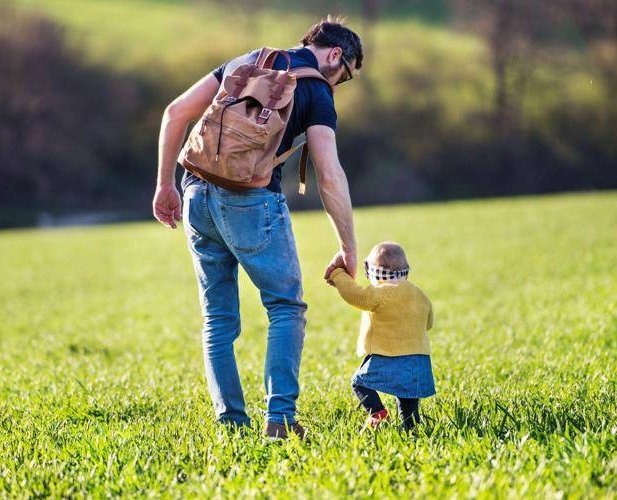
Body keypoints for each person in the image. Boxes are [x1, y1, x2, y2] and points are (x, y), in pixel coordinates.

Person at [152, 17, 363, 440]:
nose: (339, 84)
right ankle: (281, 420)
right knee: (285, 307)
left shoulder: (248, 61)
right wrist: (348, 245)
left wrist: (164, 185)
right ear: (335, 54)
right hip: (252, 202)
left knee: (217, 319)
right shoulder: (317, 90)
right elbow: (329, 173)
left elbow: (176, 112)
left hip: (195, 194)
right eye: (346, 74)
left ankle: (230, 423)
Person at [327, 242, 436, 431]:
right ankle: (411, 427)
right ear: (406, 271)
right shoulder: (420, 295)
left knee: (359, 383)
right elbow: (429, 324)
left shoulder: (381, 293)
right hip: (419, 359)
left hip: (388, 356)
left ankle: (377, 412)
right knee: (408, 398)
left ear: (374, 273)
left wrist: (338, 274)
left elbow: (355, 295)